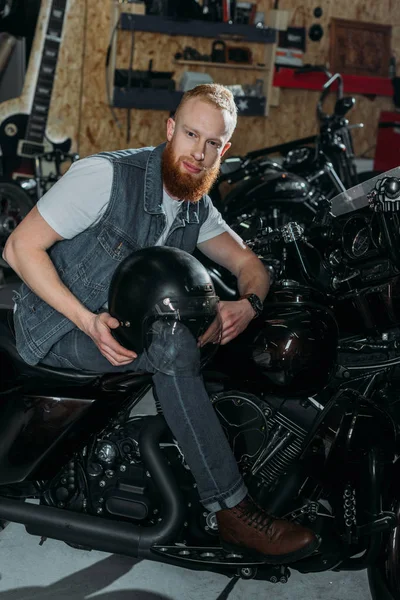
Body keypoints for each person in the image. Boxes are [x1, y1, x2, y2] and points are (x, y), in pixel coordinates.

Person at [3, 84, 319, 563]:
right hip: (54, 327)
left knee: (205, 333)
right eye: (192, 134)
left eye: (213, 143)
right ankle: (231, 508)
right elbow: (18, 248)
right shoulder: (106, 177)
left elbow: (252, 266)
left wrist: (247, 304)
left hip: (117, 329)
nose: (199, 152)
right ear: (171, 129)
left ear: (224, 150)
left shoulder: (196, 205)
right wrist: (87, 322)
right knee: (173, 346)